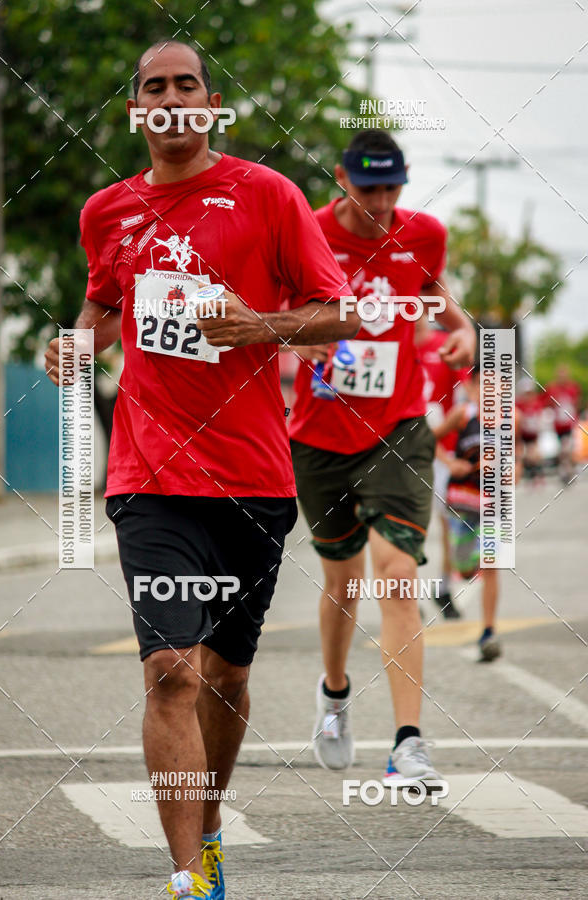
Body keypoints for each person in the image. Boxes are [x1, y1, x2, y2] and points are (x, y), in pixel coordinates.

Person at [44, 39, 357, 900]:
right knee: (170, 672)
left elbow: (339, 314)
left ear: (211, 105)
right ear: (137, 110)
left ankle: (210, 826)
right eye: (155, 88)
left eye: (187, 85)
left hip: (253, 481)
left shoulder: (268, 195)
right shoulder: (108, 210)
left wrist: (260, 327)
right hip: (150, 477)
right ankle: (189, 878)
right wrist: (74, 345)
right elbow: (103, 304)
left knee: (226, 676)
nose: (171, 98)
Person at [288, 129, 475, 786]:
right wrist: (300, 341)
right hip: (320, 436)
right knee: (343, 582)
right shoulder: (305, 230)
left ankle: (408, 744)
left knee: (396, 576)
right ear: (342, 179)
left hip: (398, 429)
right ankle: (335, 694)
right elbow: (276, 311)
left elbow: (436, 295)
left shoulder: (424, 234)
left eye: (392, 187)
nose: (381, 200)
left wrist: (463, 331)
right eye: (369, 188)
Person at [432, 367, 501, 661]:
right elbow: (430, 439)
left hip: (495, 502)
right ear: (471, 388)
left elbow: (518, 451)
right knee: (463, 566)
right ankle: (465, 570)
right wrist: (450, 463)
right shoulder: (462, 414)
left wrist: (516, 467)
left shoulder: (510, 417)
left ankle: (489, 631)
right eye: (484, 384)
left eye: (497, 385)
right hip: (463, 501)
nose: (491, 391)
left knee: (492, 564)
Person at [415, 314, 471, 619]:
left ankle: (444, 587)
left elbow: (465, 394)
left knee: (449, 522)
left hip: (442, 448)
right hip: (404, 448)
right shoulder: (397, 344)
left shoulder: (443, 344)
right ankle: (407, 593)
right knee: (406, 523)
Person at [544, 365, 581, 483]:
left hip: (569, 424)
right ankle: (566, 468)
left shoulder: (573, 387)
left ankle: (567, 469)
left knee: (567, 448)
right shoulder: (552, 388)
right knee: (562, 449)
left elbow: (576, 403)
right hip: (558, 425)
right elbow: (547, 403)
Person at [516, 378, 544, 482]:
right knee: (524, 455)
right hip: (522, 435)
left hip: (533, 435)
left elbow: (539, 421)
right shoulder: (519, 405)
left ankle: (536, 475)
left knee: (534, 454)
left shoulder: (537, 404)